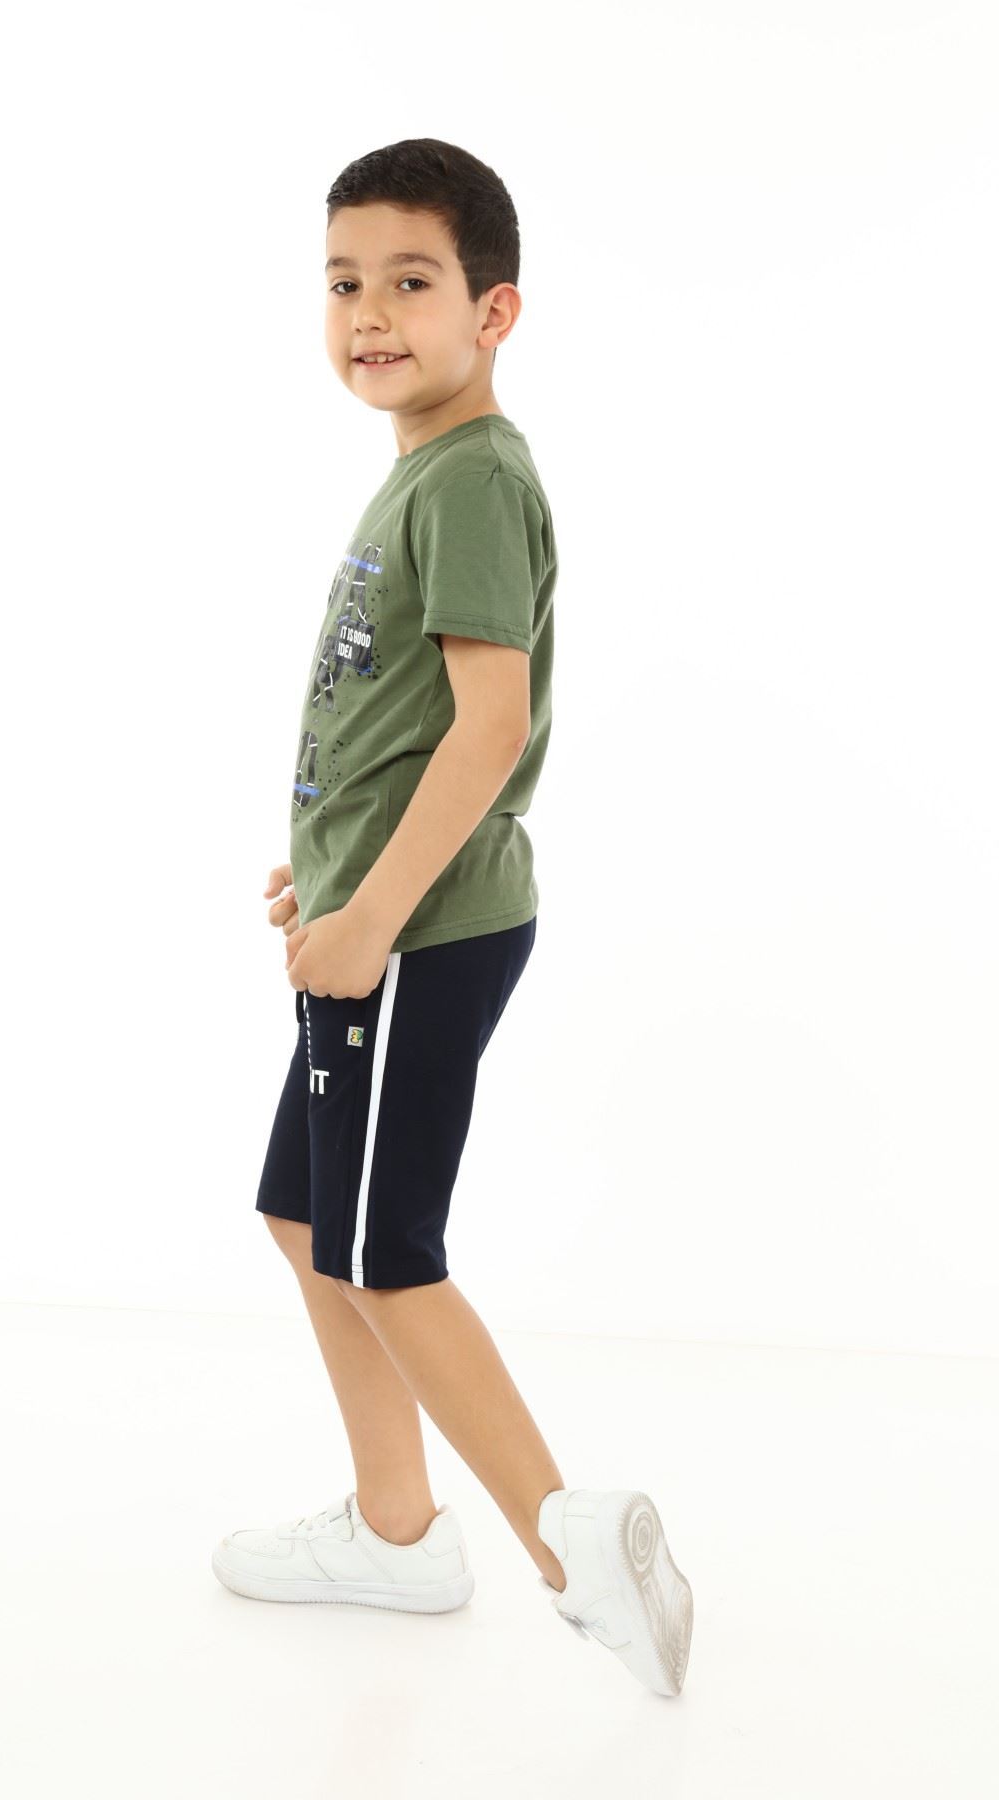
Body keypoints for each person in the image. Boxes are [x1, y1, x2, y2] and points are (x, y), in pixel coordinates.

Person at [212, 138, 693, 1697]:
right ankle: (396, 1531)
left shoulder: (476, 476)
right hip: (386, 917)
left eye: (411, 282)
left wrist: (370, 918)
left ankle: (569, 1543)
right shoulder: (425, 468)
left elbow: (492, 727)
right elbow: (403, 725)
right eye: (344, 281)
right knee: (309, 1216)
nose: (370, 312)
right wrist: (333, 875)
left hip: (418, 940)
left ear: (495, 311)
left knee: (385, 1250)